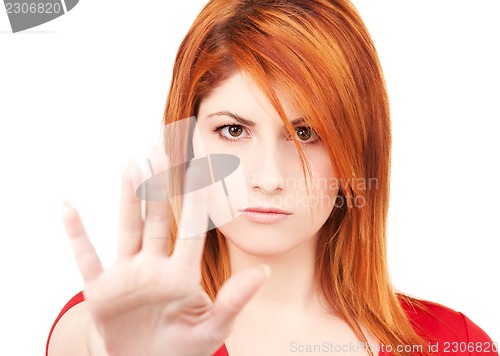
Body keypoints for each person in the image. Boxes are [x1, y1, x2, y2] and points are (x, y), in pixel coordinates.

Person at [46, 0, 497, 355]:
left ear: (358, 150)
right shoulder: (123, 322)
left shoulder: (454, 344)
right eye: (234, 130)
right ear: (186, 142)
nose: (267, 178)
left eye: (305, 133)